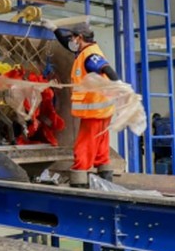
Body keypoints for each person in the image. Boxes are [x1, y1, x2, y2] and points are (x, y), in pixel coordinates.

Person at [41, 20, 118, 188]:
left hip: (94, 111)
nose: (72, 41)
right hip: (103, 110)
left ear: (80, 37)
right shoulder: (85, 51)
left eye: (74, 38)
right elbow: (67, 45)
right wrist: (54, 29)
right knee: (101, 146)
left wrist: (119, 84)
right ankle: (105, 179)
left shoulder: (90, 56)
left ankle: (79, 180)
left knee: (84, 145)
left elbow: (106, 69)